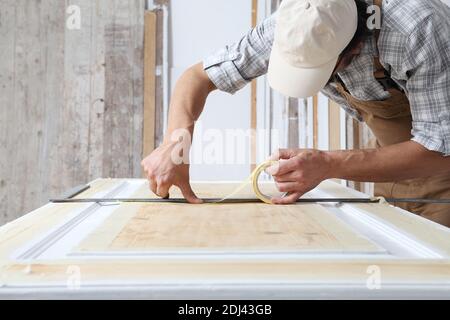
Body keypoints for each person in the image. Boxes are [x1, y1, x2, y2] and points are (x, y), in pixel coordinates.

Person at [141, 0, 450, 226]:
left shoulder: (417, 29)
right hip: (396, 162)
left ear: (353, 50)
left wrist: (327, 164)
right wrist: (175, 145)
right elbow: (196, 78)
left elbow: (440, 149)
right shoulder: (299, 21)